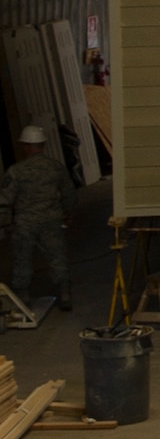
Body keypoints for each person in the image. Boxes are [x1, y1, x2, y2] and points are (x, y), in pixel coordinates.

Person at [1, 125, 76, 310]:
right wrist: (68, 214)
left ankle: (23, 297)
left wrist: (5, 223)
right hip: (52, 220)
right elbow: (69, 194)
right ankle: (65, 294)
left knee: (22, 259)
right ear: (42, 144)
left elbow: (5, 200)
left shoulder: (16, 171)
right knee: (57, 256)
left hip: (25, 223)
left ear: (26, 146)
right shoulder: (56, 168)